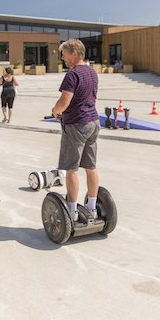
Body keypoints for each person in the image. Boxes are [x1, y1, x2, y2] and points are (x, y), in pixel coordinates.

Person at [51, 39, 100, 221]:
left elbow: (64, 102)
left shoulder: (73, 75)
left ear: (74, 53)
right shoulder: (92, 73)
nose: (62, 57)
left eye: (64, 53)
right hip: (93, 123)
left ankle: (71, 211)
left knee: (71, 169)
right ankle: (92, 207)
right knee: (91, 166)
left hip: (76, 125)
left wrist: (55, 111)